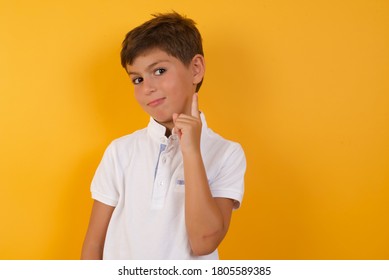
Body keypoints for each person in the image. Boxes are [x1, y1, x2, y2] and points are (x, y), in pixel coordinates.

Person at [81, 12, 246, 260]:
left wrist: (190, 151)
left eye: (159, 71)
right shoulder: (120, 152)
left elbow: (204, 242)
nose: (147, 87)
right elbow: (94, 245)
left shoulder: (227, 153)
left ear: (196, 69)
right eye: (137, 79)